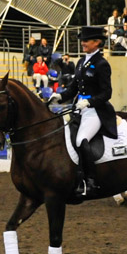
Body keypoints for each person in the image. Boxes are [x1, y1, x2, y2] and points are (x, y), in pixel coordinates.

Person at [48, 26, 116, 199]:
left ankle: (91, 181)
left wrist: (89, 101)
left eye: (87, 40)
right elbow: (73, 89)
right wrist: (59, 97)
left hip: (96, 111)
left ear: (97, 42)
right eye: (83, 40)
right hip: (80, 109)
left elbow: (107, 93)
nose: (83, 43)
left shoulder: (102, 64)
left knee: (81, 140)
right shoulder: (80, 62)